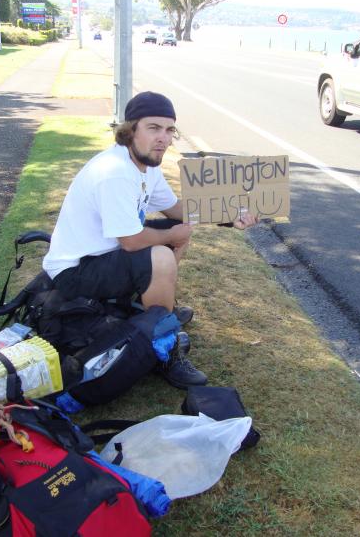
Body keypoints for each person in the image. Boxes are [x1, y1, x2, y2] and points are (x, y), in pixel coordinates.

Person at [42, 91, 257, 388]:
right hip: (76, 271)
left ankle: (155, 309)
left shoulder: (146, 166)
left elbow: (176, 209)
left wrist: (230, 216)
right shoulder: (116, 172)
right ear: (130, 130)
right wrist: (171, 236)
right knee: (162, 255)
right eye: (153, 128)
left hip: (104, 253)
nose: (163, 138)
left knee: (177, 228)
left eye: (169, 130)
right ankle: (163, 350)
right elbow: (131, 242)